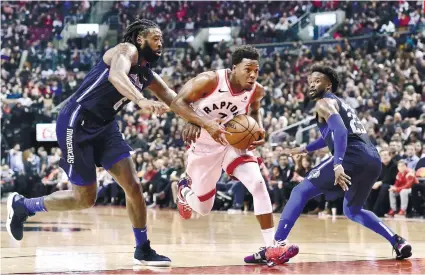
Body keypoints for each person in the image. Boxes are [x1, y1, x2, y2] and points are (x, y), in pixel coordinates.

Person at [6, 19, 181, 266]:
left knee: (133, 186)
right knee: (85, 199)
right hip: (77, 122)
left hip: (105, 127)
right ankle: (23, 205)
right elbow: (116, 75)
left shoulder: (147, 74)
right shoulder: (125, 50)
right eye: (155, 38)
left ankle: (143, 248)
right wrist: (141, 100)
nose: (160, 42)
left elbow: (175, 100)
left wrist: (207, 123)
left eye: (162, 38)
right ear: (140, 39)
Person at [247, 64, 412, 266]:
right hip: (372, 159)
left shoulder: (323, 103)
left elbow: (341, 133)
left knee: (300, 191)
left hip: (351, 156)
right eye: (309, 82)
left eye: (317, 81)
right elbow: (330, 136)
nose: (312, 85)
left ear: (329, 84)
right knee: (353, 210)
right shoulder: (339, 104)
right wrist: (304, 149)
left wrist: (338, 164)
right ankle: (398, 241)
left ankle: (277, 245)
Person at [169, 46, 299, 266]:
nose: (252, 75)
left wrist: (259, 129)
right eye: (248, 69)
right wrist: (196, 121)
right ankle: (184, 191)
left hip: (232, 142)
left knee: (258, 183)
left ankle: (272, 246)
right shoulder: (209, 81)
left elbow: (255, 109)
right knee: (203, 208)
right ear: (233, 68)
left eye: (256, 71)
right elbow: (177, 103)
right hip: (204, 146)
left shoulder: (256, 90)